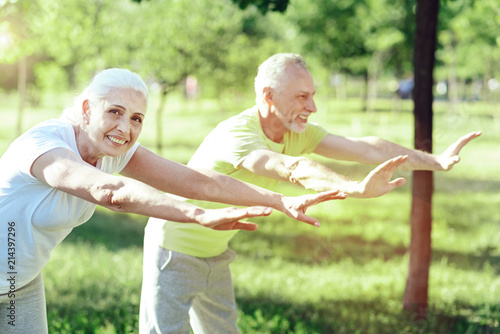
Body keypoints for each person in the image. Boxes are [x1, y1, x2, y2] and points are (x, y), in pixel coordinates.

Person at [140, 53, 480, 333]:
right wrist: (354, 188)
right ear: (268, 96)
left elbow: (364, 148)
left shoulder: (295, 129)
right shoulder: (238, 134)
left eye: (312, 94)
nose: (312, 107)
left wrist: (434, 160)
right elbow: (290, 167)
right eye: (302, 97)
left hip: (215, 252)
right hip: (174, 250)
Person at [0, 68, 350, 334]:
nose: (125, 128)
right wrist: (196, 215)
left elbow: (194, 180)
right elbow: (110, 193)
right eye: (115, 112)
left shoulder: (114, 150)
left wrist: (279, 200)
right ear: (87, 109)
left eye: (136, 118)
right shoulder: (43, 145)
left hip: (20, 281)